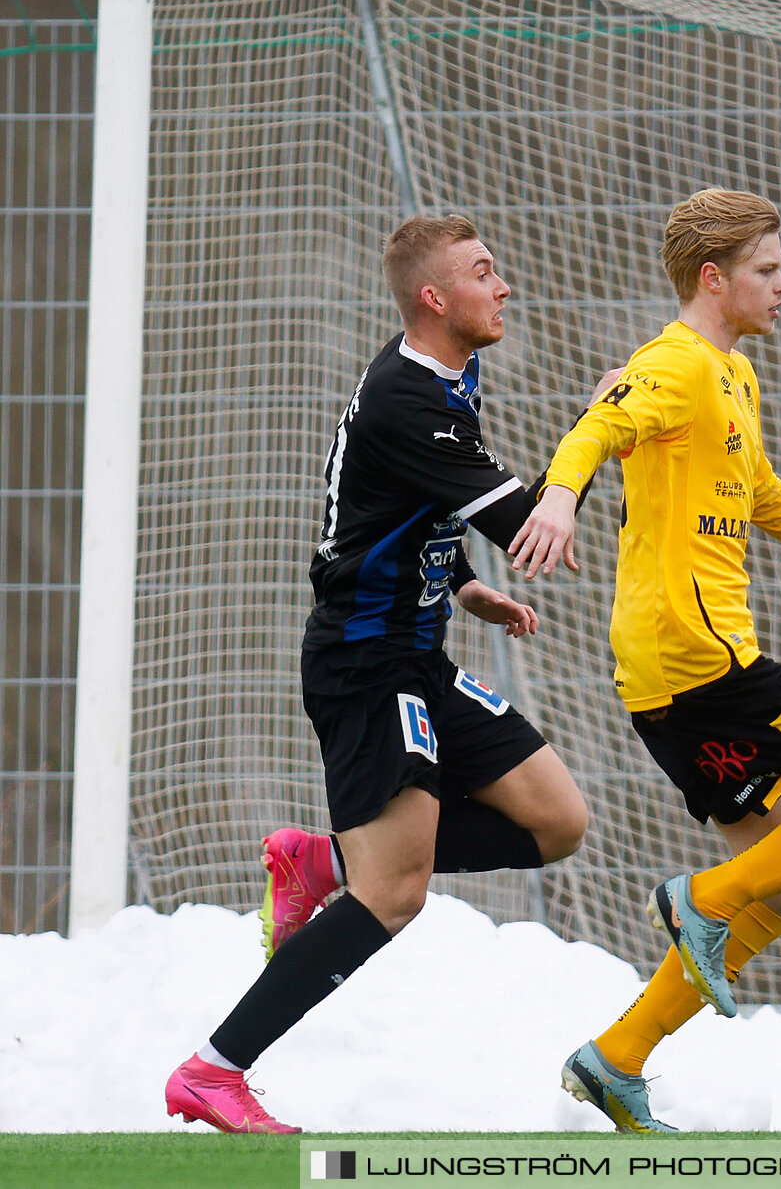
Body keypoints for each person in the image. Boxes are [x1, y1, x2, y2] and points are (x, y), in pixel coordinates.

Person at [506, 188, 781, 1133]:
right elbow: (597, 426)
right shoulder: (675, 364)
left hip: (672, 675)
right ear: (714, 279)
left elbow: (764, 497)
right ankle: (700, 898)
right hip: (704, 661)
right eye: (767, 270)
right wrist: (556, 498)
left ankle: (614, 1058)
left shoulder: (735, 376)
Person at [163, 214, 597, 1133]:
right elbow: (532, 525)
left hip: (419, 650)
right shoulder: (410, 398)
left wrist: (463, 584)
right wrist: (612, 428)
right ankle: (213, 1069)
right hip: (366, 666)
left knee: (557, 821)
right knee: (393, 895)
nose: (503, 286)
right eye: (485, 273)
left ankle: (321, 858)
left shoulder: (445, 373)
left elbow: (392, 507)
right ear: (435, 298)